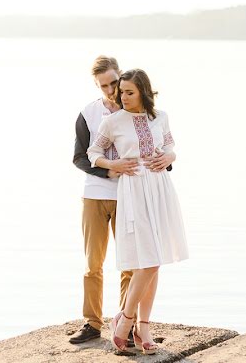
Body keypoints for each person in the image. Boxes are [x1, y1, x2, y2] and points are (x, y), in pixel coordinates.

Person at [68, 56, 175, 345]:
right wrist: (112, 169)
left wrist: (166, 159)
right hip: (96, 193)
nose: (111, 90)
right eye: (104, 85)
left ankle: (127, 324)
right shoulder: (91, 113)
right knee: (94, 263)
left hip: (133, 196)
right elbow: (82, 156)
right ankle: (93, 323)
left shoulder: (149, 113)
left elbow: (161, 148)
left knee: (136, 263)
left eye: (115, 83)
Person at [87, 68, 188, 354]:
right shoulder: (114, 121)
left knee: (155, 261)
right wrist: (113, 165)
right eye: (121, 92)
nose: (123, 97)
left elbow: (170, 145)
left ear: (143, 91)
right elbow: (93, 153)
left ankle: (143, 327)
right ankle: (125, 320)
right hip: (133, 191)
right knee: (149, 261)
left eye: (129, 92)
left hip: (160, 189)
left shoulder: (160, 117)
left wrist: (169, 156)